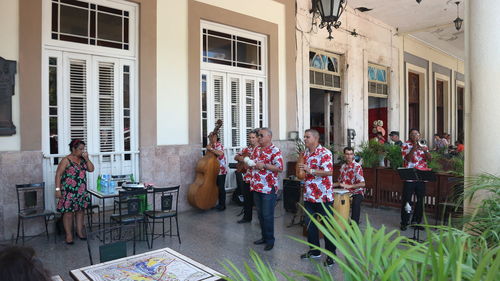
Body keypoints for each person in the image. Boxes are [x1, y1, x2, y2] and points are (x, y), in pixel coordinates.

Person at [298, 129, 335, 267]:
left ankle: (331, 255)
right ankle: (314, 252)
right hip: (309, 196)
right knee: (310, 226)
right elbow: (302, 172)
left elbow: (329, 171)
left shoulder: (325, 152)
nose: (305, 139)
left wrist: (311, 170)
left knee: (327, 227)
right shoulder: (306, 153)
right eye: (304, 136)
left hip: (323, 197)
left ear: (315, 138)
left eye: (307, 137)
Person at [55, 139, 95, 244]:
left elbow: (91, 169)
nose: (82, 151)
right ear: (73, 149)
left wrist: (87, 159)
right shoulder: (66, 160)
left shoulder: (82, 160)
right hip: (68, 191)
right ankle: (69, 235)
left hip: (81, 191)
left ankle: (79, 232)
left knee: (80, 212)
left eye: (83, 149)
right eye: (80, 149)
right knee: (68, 213)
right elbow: (58, 174)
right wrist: (57, 189)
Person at [251, 128, 283, 251]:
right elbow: (254, 163)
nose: (259, 137)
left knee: (267, 215)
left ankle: (270, 240)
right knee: (260, 214)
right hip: (256, 186)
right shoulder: (256, 149)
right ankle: (264, 237)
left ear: (269, 137)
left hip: (268, 188)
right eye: (258, 135)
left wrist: (264, 165)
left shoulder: (275, 151)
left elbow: (280, 168)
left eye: (261, 135)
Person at [400, 128, 432, 231]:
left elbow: (430, 159)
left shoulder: (424, 144)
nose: (415, 136)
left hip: (421, 177)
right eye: (412, 134)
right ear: (410, 135)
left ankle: (416, 221)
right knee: (407, 200)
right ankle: (404, 222)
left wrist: (425, 150)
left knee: (420, 201)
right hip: (409, 177)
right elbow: (407, 159)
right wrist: (414, 148)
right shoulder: (405, 145)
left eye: (416, 134)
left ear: (419, 135)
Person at [335, 147, 366, 225]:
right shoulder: (343, 166)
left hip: (356, 191)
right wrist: (329, 185)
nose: (349, 156)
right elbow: (339, 182)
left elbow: (363, 184)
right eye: (347, 154)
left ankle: (354, 226)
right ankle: (337, 223)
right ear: (344, 155)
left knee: (356, 203)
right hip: (344, 192)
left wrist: (350, 186)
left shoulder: (357, 166)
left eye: (351, 154)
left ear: (353, 155)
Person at [234, 129, 259, 223]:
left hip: (257, 180)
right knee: (247, 199)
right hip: (247, 178)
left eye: (253, 137)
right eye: (250, 137)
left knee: (258, 202)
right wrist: (242, 158)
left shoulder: (261, 149)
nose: (251, 139)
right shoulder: (247, 149)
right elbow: (236, 156)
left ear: (257, 138)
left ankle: (261, 220)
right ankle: (247, 217)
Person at [206, 132, 228, 211]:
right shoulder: (210, 145)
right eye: (209, 137)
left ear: (215, 137)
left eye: (211, 137)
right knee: (215, 188)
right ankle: (215, 203)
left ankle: (222, 205)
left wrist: (211, 149)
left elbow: (220, 153)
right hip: (212, 169)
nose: (210, 139)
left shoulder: (219, 145)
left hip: (220, 170)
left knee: (221, 188)